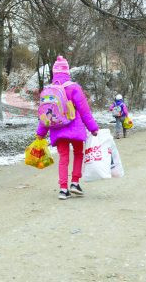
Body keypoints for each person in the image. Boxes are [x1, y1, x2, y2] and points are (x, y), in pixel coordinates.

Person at [36, 56, 99, 200]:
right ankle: (75, 183)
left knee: (63, 158)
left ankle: (63, 189)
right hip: (75, 128)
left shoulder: (49, 90)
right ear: (67, 71)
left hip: (58, 130)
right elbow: (85, 111)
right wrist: (93, 128)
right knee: (78, 153)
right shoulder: (74, 88)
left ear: (54, 72)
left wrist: (41, 133)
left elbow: (46, 114)